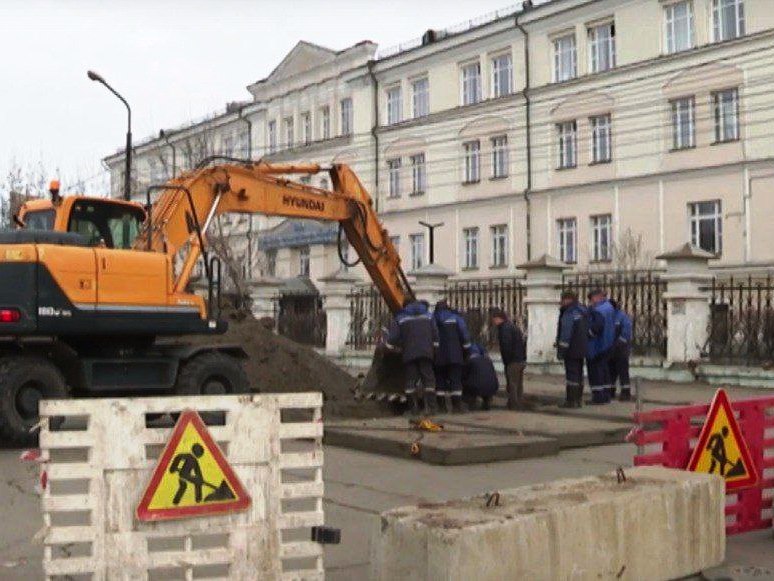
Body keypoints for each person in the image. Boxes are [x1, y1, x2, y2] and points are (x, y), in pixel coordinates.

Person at [386, 298, 439, 415]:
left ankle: (413, 409)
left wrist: (391, 347)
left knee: (411, 381)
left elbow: (392, 339)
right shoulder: (429, 316)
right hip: (426, 353)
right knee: (429, 380)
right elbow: (435, 335)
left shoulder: (400, 318)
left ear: (404, 306)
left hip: (409, 353)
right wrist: (434, 350)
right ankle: (431, 408)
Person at [433, 300, 472, 413]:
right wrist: (467, 350)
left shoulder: (432, 319)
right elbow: (464, 335)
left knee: (440, 380)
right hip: (455, 354)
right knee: (455, 379)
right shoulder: (456, 318)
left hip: (438, 355)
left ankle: (441, 407)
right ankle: (457, 406)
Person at [556, 290, 588, 408]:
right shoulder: (582, 311)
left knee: (571, 376)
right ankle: (578, 399)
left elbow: (566, 333)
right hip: (582, 348)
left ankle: (571, 401)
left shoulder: (569, 313)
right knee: (579, 374)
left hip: (571, 349)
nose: (561, 302)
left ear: (568, 299)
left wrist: (561, 351)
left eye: (562, 299)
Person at [490, 308, 528, 410]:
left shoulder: (505, 329)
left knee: (512, 384)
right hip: (520, 359)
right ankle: (519, 403)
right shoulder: (513, 327)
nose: (493, 322)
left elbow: (506, 346)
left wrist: (507, 360)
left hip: (512, 360)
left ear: (499, 318)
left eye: (494, 319)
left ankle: (513, 404)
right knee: (518, 384)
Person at [586, 289, 616, 405]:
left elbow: (597, 327)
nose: (591, 301)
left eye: (592, 298)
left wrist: (588, 333)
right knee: (604, 370)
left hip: (597, 345)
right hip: (607, 343)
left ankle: (598, 396)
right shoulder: (609, 308)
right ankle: (606, 394)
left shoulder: (599, 310)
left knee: (595, 371)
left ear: (598, 297)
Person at [462, 343, 499, 411]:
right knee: (483, 383)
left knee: (466, 384)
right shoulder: (488, 360)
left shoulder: (470, 361)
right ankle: (486, 402)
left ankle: (471, 403)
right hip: (493, 387)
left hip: (476, 387)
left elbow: (464, 375)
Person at [609, 299, 633, 401]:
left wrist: (618, 343)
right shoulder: (609, 316)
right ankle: (610, 391)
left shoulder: (622, 316)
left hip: (621, 349)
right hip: (610, 349)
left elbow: (626, 332)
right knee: (611, 371)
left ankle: (626, 393)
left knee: (623, 371)